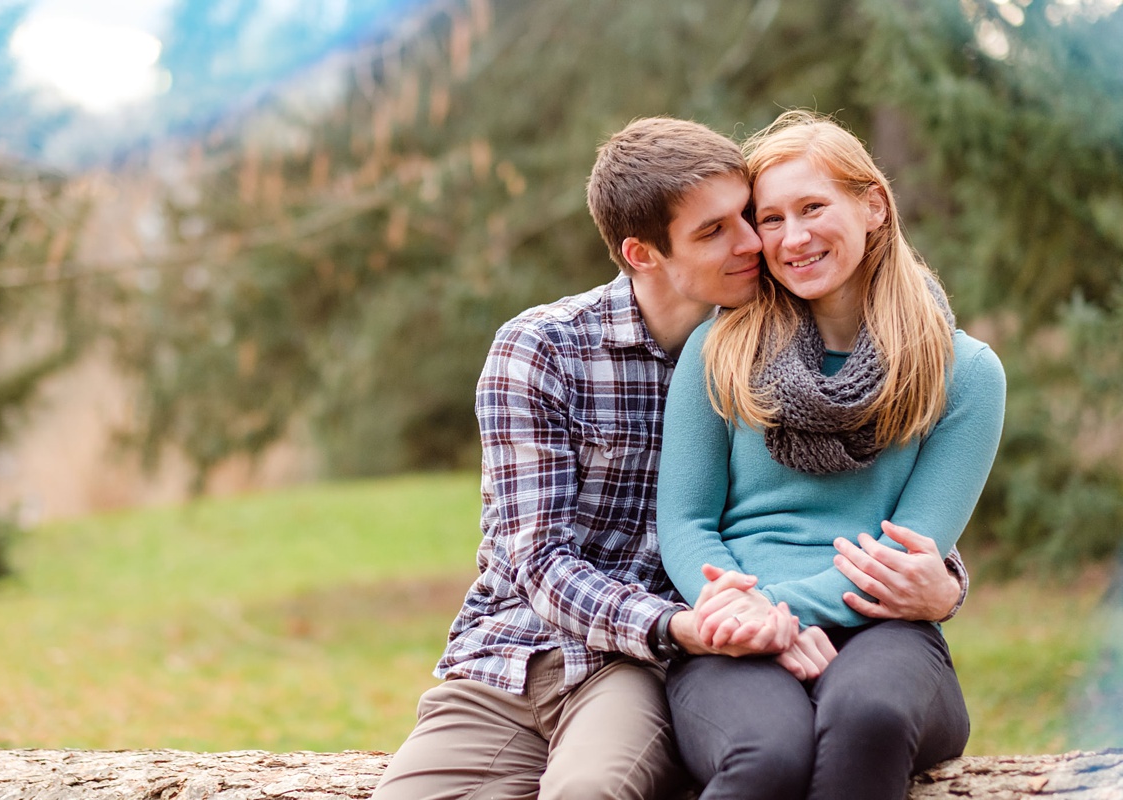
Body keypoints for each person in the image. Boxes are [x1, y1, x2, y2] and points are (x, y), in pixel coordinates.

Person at [372, 116, 971, 800]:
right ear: (642, 253)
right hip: (518, 653)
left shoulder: (772, 354)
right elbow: (535, 560)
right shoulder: (544, 351)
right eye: (717, 231)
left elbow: (847, 498)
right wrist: (693, 624)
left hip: (644, 671)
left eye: (749, 216)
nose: (757, 242)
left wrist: (944, 578)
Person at [656, 110, 1007, 800]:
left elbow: (902, 562)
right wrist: (747, 624)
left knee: (865, 717)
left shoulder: (964, 373)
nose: (794, 237)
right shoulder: (719, 351)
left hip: (885, 636)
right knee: (768, 754)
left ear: (873, 204)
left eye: (813, 207)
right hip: (731, 628)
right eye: (773, 218)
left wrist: (775, 614)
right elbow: (686, 523)